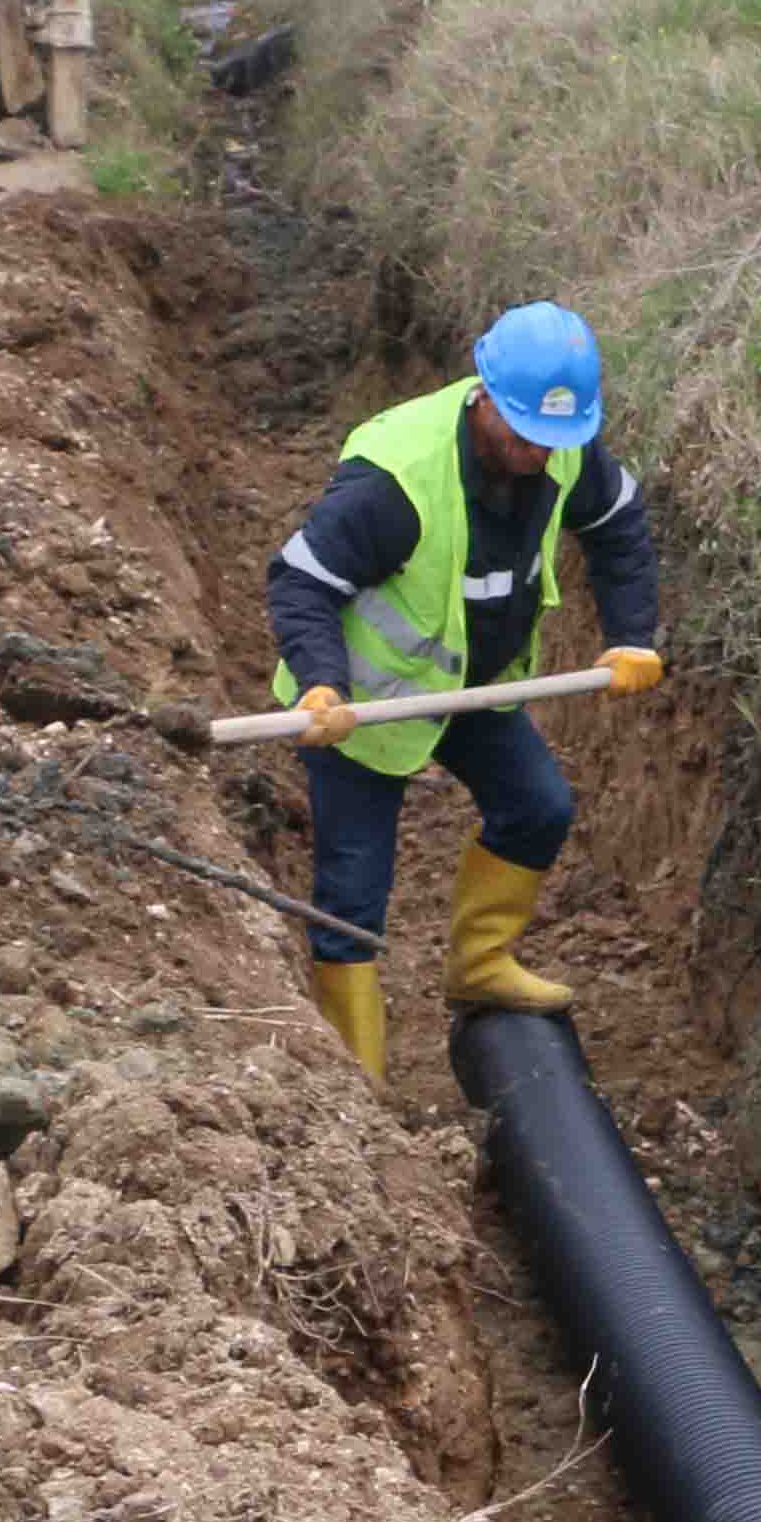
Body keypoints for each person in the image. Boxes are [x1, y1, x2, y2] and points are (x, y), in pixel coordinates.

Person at [262, 301, 665, 1073]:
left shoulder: (560, 447)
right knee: (351, 899)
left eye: (557, 440)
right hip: (364, 710)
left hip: (472, 687)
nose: (542, 455)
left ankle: (479, 966)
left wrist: (629, 636)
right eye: (524, 437)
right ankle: (355, 1086)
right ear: (484, 396)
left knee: (538, 808)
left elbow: (619, 523)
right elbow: (300, 581)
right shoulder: (396, 481)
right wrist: (320, 687)